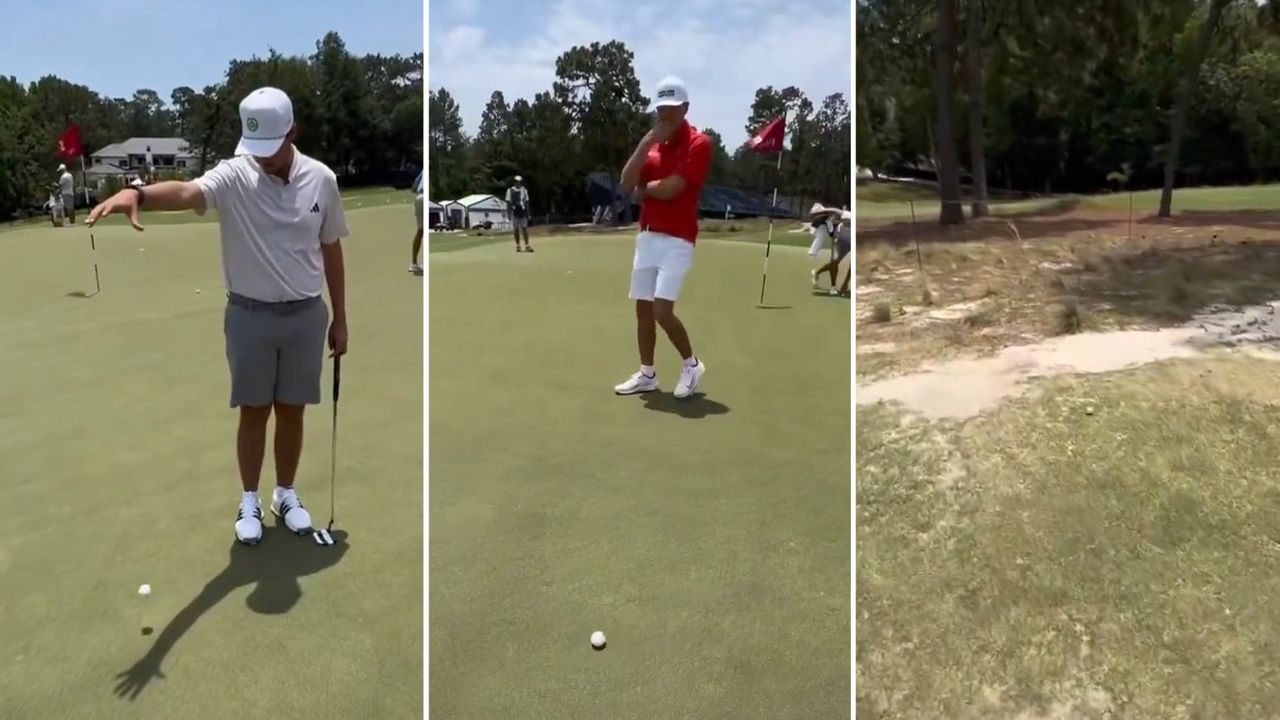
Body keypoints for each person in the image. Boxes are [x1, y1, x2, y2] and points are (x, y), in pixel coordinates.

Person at [86, 86, 350, 547]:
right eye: (256, 149)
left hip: (306, 314)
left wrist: (340, 317)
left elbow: (331, 248)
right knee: (254, 410)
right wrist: (139, 194)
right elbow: (189, 190)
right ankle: (248, 497)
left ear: (293, 131)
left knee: (292, 411)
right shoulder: (234, 174)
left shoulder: (322, 180)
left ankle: (284, 494)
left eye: (271, 148)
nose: (263, 159)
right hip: (248, 315)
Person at [613, 75, 710, 400]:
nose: (665, 115)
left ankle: (692, 364)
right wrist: (644, 144)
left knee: (662, 311)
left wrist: (647, 190)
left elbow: (673, 188)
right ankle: (647, 374)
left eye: (671, 108)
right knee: (642, 310)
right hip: (648, 237)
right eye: (660, 109)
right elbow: (626, 185)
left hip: (678, 239)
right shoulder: (652, 146)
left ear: (685, 108)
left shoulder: (699, 143)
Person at [807, 203, 842, 289]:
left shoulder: (826, 219)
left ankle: (819, 274)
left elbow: (830, 229)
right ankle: (833, 285)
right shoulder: (824, 219)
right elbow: (830, 230)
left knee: (835, 261)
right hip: (834, 235)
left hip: (837, 234)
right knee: (835, 262)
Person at [506, 175, 532, 252]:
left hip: (523, 212)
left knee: (524, 229)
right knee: (516, 229)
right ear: (514, 182)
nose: (518, 183)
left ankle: (527, 245)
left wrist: (528, 213)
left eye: (519, 182)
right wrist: (508, 213)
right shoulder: (510, 190)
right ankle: (518, 245)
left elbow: (527, 202)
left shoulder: (524, 190)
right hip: (514, 212)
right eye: (516, 182)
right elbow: (508, 202)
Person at [410, 168, 424, 274]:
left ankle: (413, 263)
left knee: (420, 231)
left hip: (419, 197)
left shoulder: (423, 170)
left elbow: (414, 187)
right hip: (425, 197)